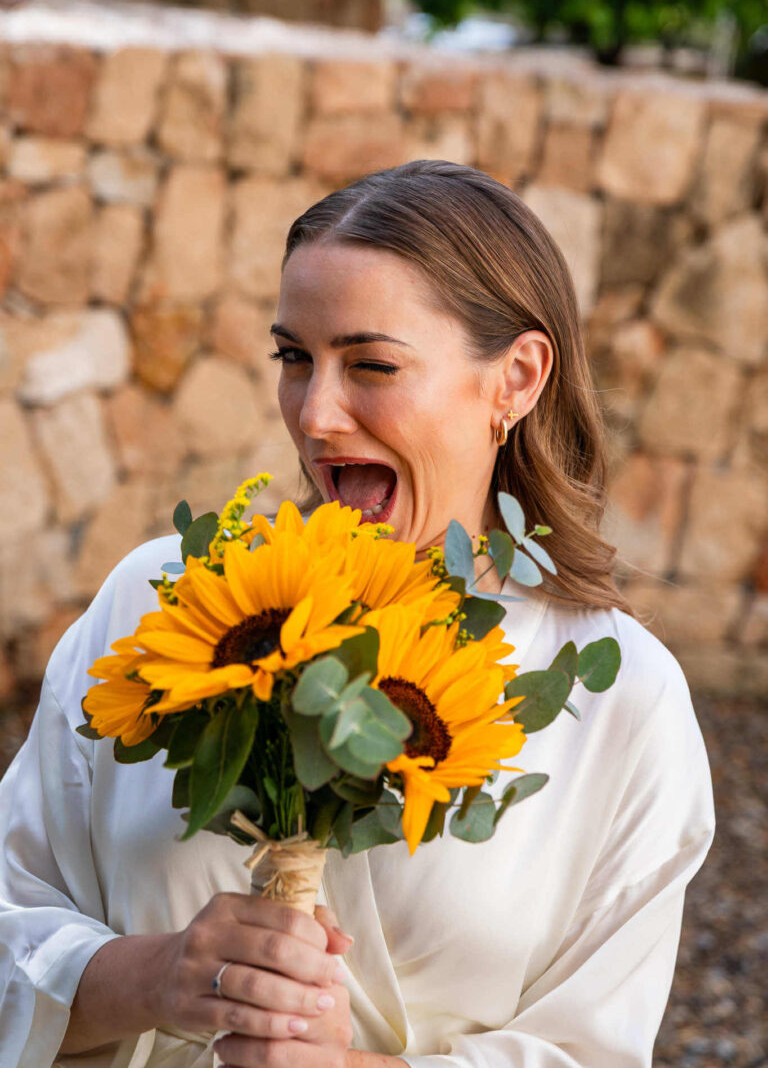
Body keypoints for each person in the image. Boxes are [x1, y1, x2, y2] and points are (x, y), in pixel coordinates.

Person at [0, 160, 715, 1068]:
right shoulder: (163, 602)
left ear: (518, 379)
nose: (317, 415)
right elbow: (10, 909)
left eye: (371, 364)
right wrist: (156, 976)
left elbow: (593, 1052)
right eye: (295, 357)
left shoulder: (624, 701)